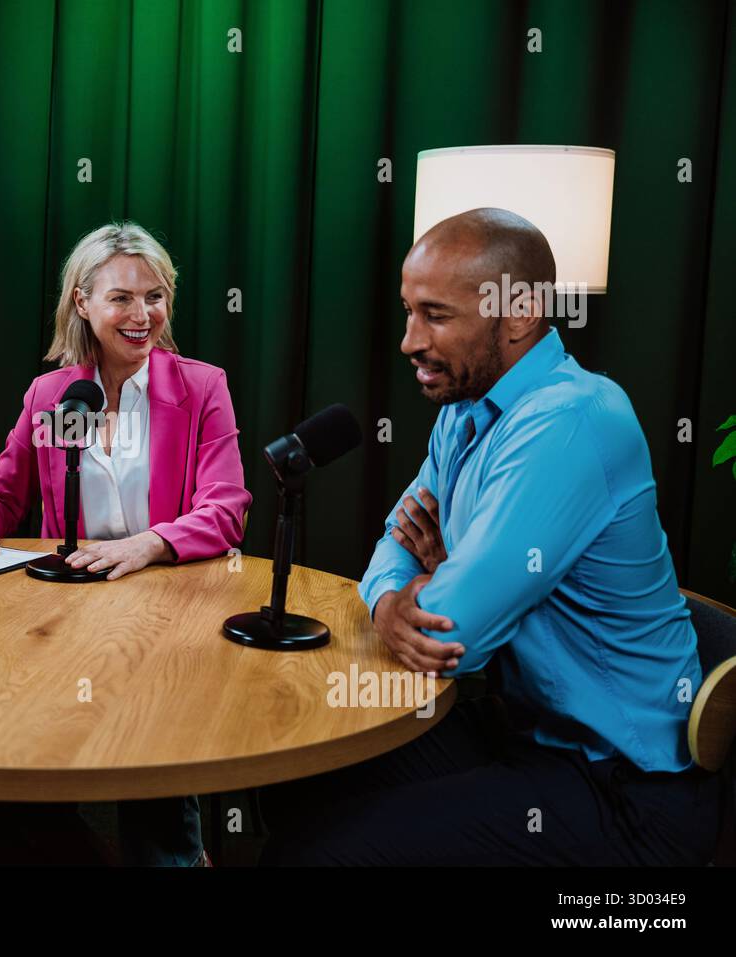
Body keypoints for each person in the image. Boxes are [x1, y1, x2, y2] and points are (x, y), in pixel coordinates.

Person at [259, 207, 721, 865]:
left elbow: (451, 637)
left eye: (436, 316)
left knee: (316, 858)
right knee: (291, 783)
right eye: (408, 310)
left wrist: (448, 582)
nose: (409, 341)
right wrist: (400, 596)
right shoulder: (465, 409)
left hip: (623, 792)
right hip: (521, 733)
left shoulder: (572, 419)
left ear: (521, 313)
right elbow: (396, 537)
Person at [0, 221, 252, 865]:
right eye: (121, 297)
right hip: (60, 611)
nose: (141, 314)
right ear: (83, 303)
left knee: (152, 776)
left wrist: (149, 544)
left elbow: (226, 507)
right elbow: (3, 490)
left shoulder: (202, 387)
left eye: (155, 296)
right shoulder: (53, 393)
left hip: (164, 610)